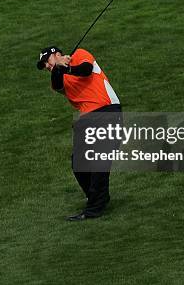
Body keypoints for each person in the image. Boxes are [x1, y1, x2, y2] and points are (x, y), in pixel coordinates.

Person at [37, 46, 122, 221]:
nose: (46, 66)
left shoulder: (80, 54)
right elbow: (57, 84)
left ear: (57, 54)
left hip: (107, 111)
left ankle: (94, 209)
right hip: (86, 119)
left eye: (47, 61)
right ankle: (97, 198)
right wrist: (59, 67)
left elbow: (85, 70)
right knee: (78, 163)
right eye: (44, 64)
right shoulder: (57, 78)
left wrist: (66, 66)